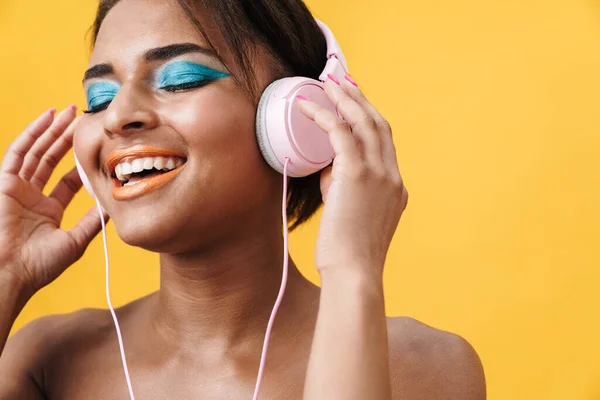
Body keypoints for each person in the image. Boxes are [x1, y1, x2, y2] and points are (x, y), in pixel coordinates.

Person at [0, 0, 485, 398]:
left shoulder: (423, 369)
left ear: (297, 114)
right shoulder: (42, 361)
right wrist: (5, 278)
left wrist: (352, 270)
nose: (117, 115)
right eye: (99, 98)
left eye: (180, 79)